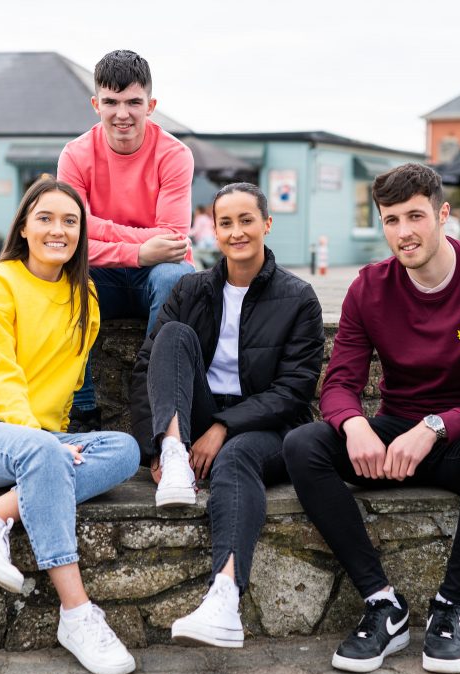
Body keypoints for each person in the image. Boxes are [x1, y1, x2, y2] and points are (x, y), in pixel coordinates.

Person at [282, 163, 460, 674]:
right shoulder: (369, 288)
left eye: (415, 216)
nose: (403, 232)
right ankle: (382, 605)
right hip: (394, 439)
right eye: (391, 220)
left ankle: (449, 609)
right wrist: (355, 426)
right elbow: (339, 384)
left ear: (443, 215)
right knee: (304, 445)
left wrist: (435, 426)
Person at [0, 175, 140, 674]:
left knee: (125, 449)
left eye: (70, 221)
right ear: (24, 226)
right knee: (46, 454)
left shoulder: (84, 297)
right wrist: (41, 442)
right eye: (45, 218)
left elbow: (63, 385)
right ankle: (77, 613)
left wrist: (49, 442)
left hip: (35, 441)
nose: (58, 230)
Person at [130, 183, 324, 647]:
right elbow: (145, 371)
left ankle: (223, 599)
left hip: (267, 428)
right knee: (173, 335)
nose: (237, 232)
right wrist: (159, 445)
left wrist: (223, 427)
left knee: (236, 460)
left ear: (266, 224)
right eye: (226, 223)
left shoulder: (298, 297)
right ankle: (177, 457)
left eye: (246, 220)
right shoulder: (190, 290)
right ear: (213, 231)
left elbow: (294, 390)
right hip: (193, 420)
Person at [58, 49, 196, 433]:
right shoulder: (75, 155)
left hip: (155, 276)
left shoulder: (174, 155)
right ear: (95, 104)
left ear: (150, 105)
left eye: (134, 102)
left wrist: (96, 227)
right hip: (104, 275)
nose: (123, 113)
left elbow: (171, 239)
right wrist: (138, 250)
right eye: (111, 102)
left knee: (173, 277)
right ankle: (82, 412)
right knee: (63, 274)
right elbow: (72, 236)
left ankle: (154, 411)